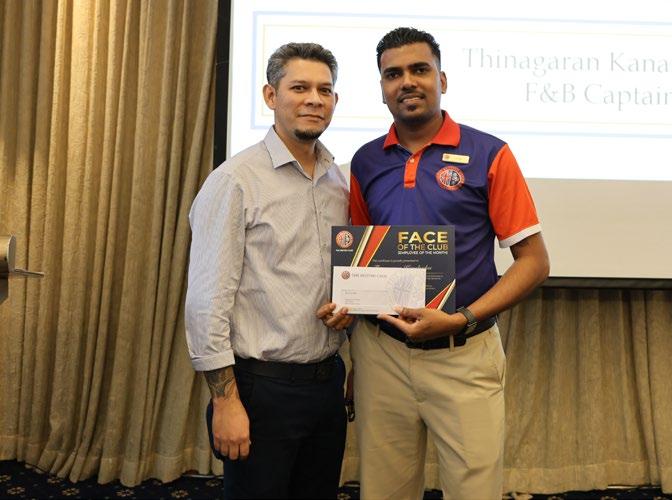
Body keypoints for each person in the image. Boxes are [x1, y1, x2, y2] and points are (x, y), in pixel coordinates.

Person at [348, 27, 550, 499]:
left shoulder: (490, 154)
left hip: (464, 353)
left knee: (473, 492)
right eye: (393, 74)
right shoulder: (365, 162)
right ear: (382, 88)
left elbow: (534, 262)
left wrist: (461, 319)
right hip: (381, 355)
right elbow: (360, 265)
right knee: (383, 492)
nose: (407, 82)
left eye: (419, 69)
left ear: (442, 79)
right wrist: (354, 345)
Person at [185, 42, 352, 499]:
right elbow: (206, 302)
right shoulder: (235, 181)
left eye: (324, 90)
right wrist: (225, 402)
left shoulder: (338, 180)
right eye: (299, 88)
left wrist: (347, 309)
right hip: (261, 390)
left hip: (326, 386)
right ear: (270, 95)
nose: (314, 99)